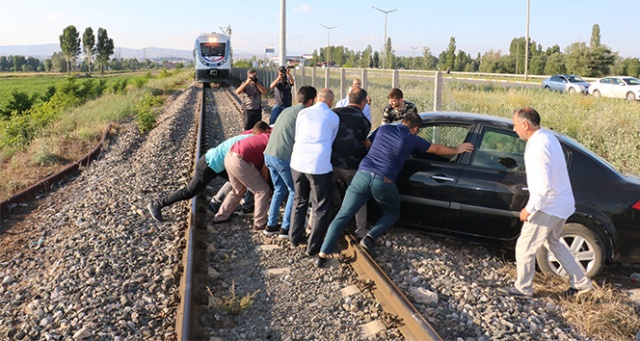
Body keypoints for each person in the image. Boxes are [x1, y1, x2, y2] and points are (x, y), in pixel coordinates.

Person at [315, 113, 473, 267]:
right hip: (383, 181)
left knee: (342, 215)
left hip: (361, 176)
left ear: (403, 121)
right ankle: (369, 238)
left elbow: (367, 144)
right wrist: (457, 149)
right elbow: (437, 149)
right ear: (415, 128)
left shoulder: (384, 129)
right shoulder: (411, 139)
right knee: (392, 213)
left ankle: (322, 256)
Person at [508, 107, 593, 298]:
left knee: (525, 247)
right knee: (554, 242)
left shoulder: (537, 147)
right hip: (561, 204)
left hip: (548, 206)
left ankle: (523, 289)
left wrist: (528, 209)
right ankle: (581, 284)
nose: (514, 130)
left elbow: (542, 186)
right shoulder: (548, 137)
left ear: (525, 124)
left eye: (515, 126)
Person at [147, 121, 271, 222]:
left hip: (221, 164)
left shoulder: (252, 136)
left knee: (240, 184)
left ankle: (220, 208)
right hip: (210, 164)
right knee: (190, 191)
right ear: (261, 133)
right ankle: (157, 204)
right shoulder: (257, 140)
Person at [263, 86, 318, 238]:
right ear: (311, 100)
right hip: (281, 157)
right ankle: (286, 228)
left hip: (268, 154)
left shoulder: (287, 110)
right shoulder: (305, 113)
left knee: (280, 189)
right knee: (294, 191)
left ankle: (271, 225)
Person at [289, 88, 339, 256]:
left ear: (316, 98)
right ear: (331, 103)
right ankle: (313, 246)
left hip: (297, 161)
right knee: (320, 206)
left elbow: (298, 135)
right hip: (318, 166)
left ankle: (294, 237)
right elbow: (331, 141)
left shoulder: (303, 114)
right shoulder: (333, 117)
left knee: (299, 199)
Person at [331, 87, 372, 240]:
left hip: (331, 163)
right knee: (359, 196)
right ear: (363, 102)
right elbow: (363, 141)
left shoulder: (335, 113)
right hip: (353, 166)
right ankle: (361, 230)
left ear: (348, 98)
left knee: (322, 192)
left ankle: (315, 225)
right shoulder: (365, 121)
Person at [213, 127, 272, 230]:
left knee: (237, 190)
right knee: (262, 190)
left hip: (229, 156)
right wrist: (267, 184)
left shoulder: (264, 135)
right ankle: (260, 223)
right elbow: (264, 168)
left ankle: (220, 217)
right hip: (240, 161)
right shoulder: (271, 140)